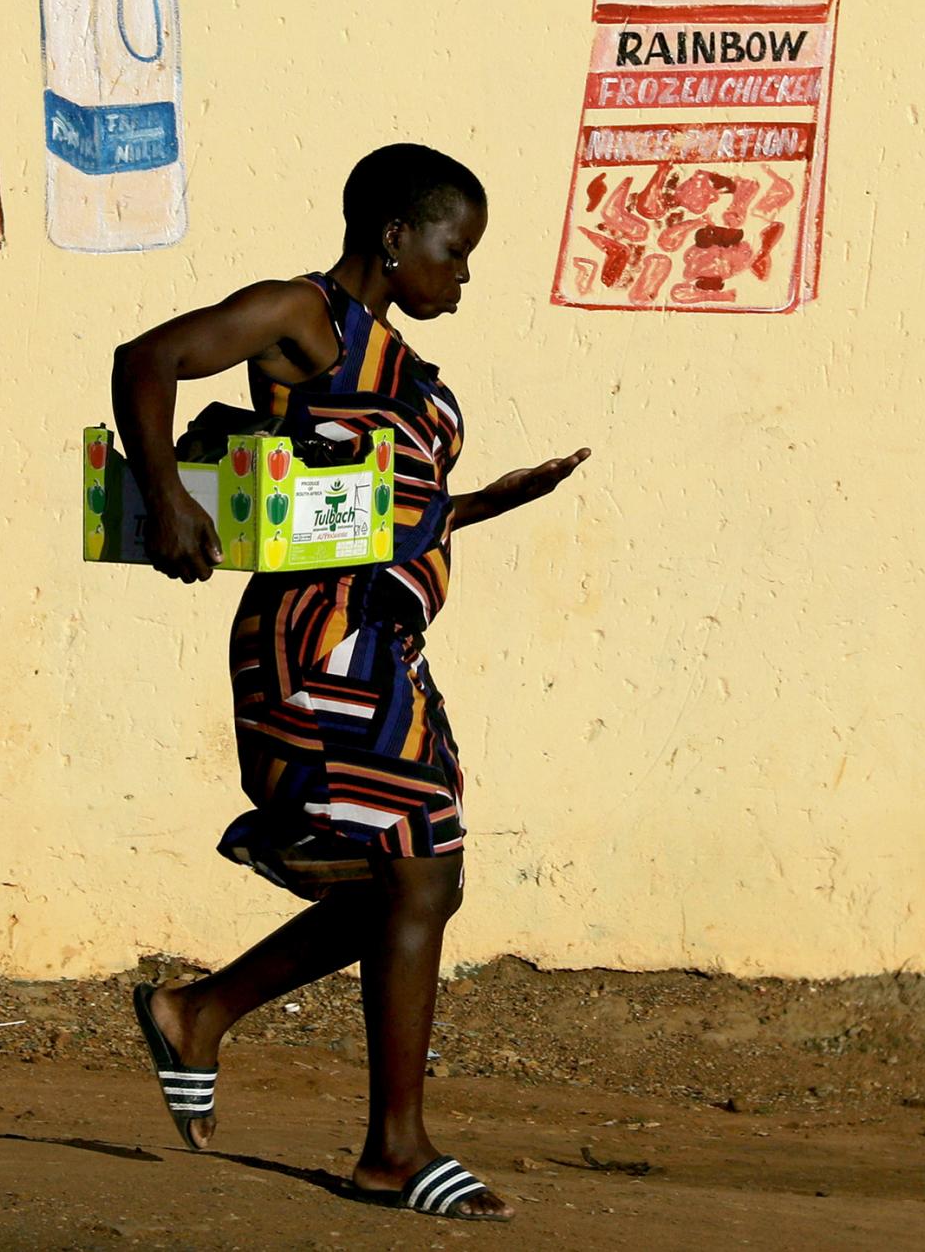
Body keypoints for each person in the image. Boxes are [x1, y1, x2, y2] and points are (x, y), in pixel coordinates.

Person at [107, 143, 588, 1223]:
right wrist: (165, 496)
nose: (459, 275)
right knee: (412, 876)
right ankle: (393, 1148)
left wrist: (477, 506)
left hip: (385, 646)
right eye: (453, 252)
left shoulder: (398, 363)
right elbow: (146, 357)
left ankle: (200, 1012)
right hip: (317, 641)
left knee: (421, 881)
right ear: (394, 237)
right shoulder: (302, 316)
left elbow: (366, 510)